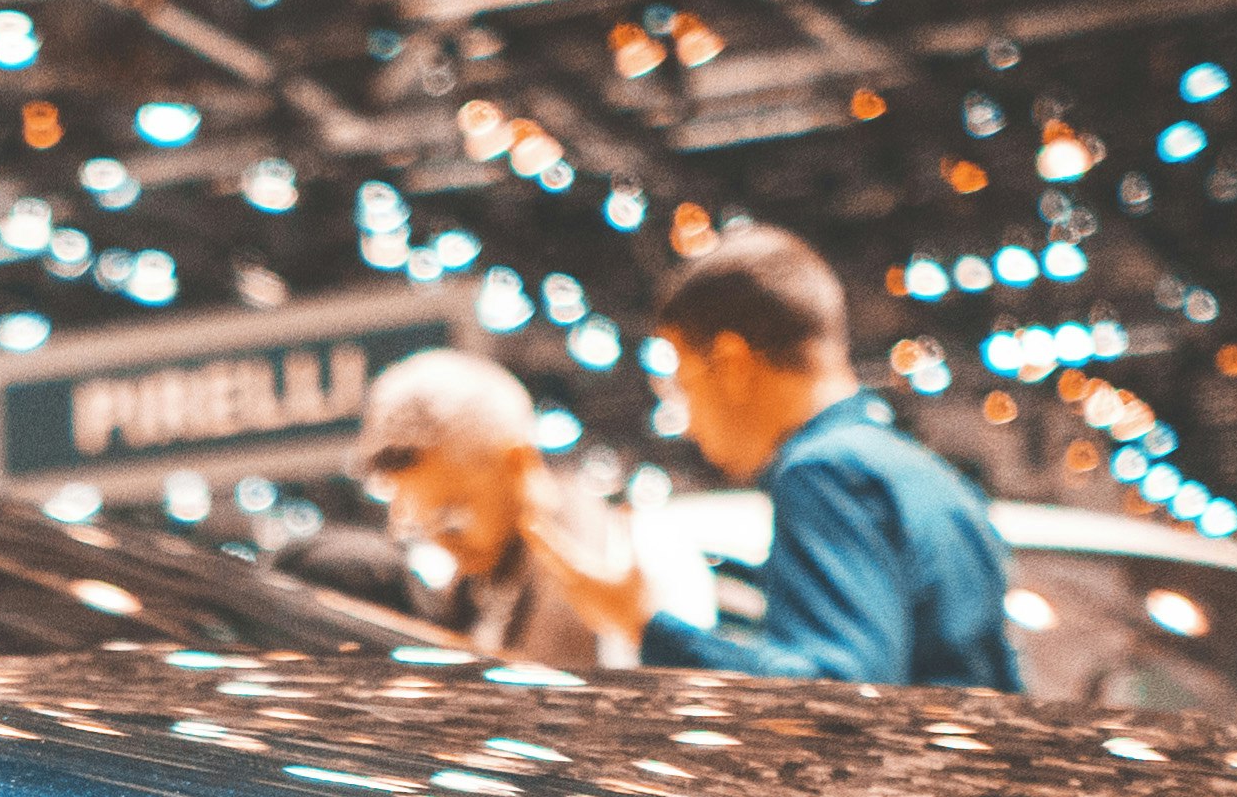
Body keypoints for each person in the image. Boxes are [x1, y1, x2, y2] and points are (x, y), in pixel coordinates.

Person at [526, 224, 1016, 692]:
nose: (687, 420)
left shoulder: (823, 473)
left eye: (681, 383)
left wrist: (643, 623)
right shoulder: (923, 472)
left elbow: (833, 694)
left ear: (732, 364)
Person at [344, 348, 636, 669]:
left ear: (518, 463)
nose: (442, 542)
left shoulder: (615, 559)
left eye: (451, 516)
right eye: (419, 523)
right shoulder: (472, 588)